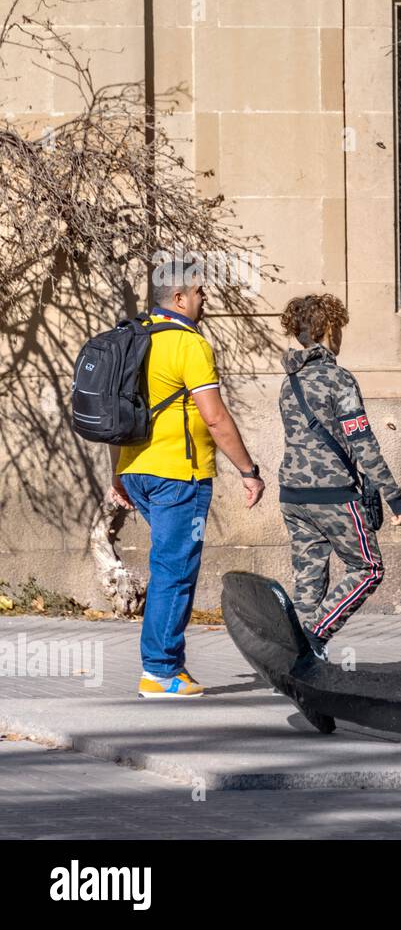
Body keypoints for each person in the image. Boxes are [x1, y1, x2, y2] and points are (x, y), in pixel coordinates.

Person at [108, 258, 266, 699]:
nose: (205, 297)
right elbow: (215, 419)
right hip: (180, 476)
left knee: (167, 566)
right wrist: (249, 472)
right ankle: (161, 672)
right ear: (179, 298)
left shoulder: (134, 339)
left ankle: (160, 666)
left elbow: (118, 413)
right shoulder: (189, 344)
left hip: (138, 470)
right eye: (199, 291)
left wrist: (119, 472)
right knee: (174, 571)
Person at [277, 294, 401, 660]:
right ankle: (315, 636)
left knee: (308, 580)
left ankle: (299, 659)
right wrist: (393, 496)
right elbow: (362, 441)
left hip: (292, 494)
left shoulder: (289, 383)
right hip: (333, 493)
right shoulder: (339, 379)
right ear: (329, 329)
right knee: (368, 568)